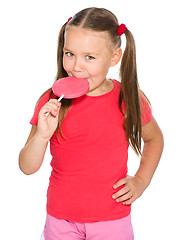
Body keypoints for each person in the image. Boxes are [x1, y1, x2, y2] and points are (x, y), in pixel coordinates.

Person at [19, 7, 164, 240]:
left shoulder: (127, 98)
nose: (76, 66)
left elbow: (154, 138)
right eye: (69, 53)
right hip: (60, 220)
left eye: (89, 57)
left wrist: (141, 181)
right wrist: (42, 136)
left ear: (114, 57)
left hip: (112, 220)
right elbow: (27, 167)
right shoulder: (52, 100)